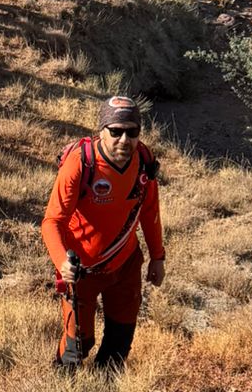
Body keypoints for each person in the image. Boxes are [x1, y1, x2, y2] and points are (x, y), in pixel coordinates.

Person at [41, 95, 164, 372]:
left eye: (132, 132)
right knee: (78, 345)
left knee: (120, 340)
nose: (124, 140)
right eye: (116, 131)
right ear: (102, 131)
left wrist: (158, 256)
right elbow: (52, 221)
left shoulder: (143, 160)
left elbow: (150, 211)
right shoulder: (81, 164)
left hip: (125, 264)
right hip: (82, 270)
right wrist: (63, 262)